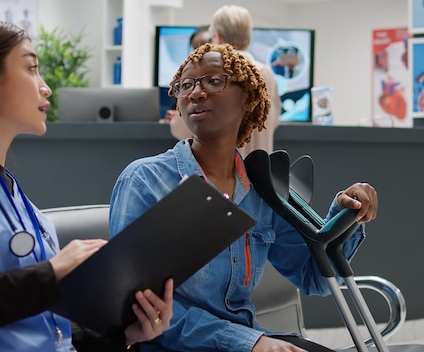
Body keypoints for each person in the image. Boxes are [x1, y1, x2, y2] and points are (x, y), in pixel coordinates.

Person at [0, 21, 173, 351]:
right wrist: (51, 272)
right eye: (31, 68)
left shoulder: (26, 209)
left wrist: (124, 334)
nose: (46, 87)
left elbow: (45, 332)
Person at [109, 43, 378, 352]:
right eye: (186, 85)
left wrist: (347, 215)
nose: (195, 93)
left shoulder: (260, 189)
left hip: (249, 338)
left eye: (213, 81)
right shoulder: (146, 180)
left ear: (248, 98)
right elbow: (135, 305)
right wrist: (250, 343)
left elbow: (314, 277)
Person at [210, 4, 282, 157]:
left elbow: (191, 125)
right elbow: (273, 120)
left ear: (217, 37)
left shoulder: (214, 74)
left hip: (222, 170)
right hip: (260, 169)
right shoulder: (266, 73)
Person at [164, 25, 212, 141]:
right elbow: (177, 109)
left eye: (205, 48)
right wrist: (175, 116)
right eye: (196, 49)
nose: (200, 54)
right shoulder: (184, 79)